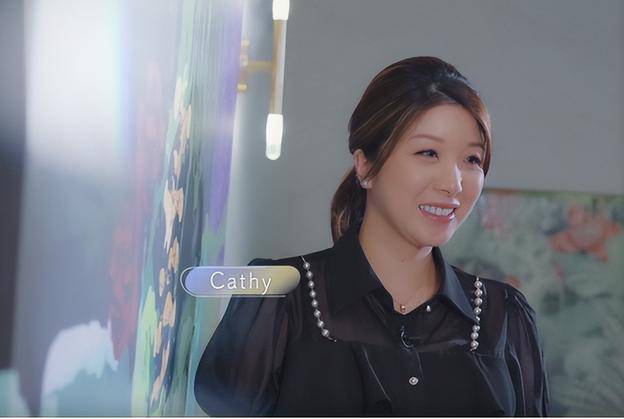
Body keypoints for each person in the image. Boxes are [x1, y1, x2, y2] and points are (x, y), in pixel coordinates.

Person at [194, 56, 550, 416]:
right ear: (365, 166)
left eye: (471, 159)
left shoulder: (506, 318)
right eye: (428, 153)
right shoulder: (276, 300)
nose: (453, 183)